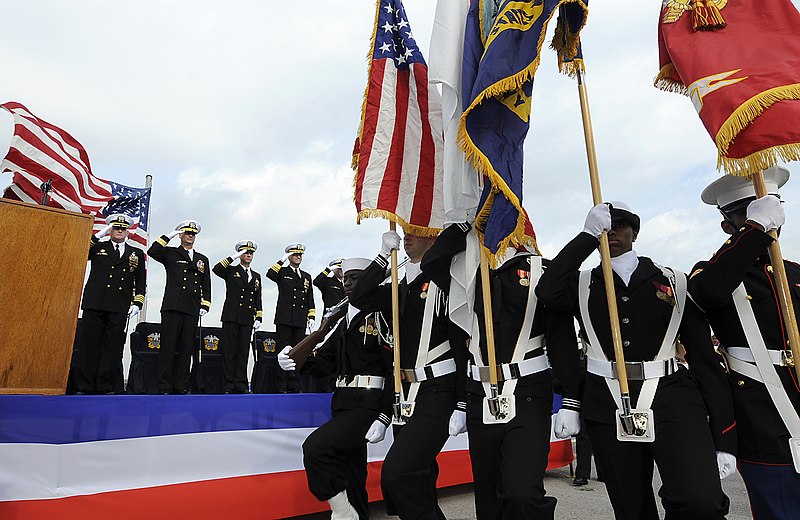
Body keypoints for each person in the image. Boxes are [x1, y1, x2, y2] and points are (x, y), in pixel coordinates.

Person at [536, 202, 734, 520]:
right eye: (604, 226)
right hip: (605, 400)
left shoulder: (674, 282)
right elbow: (547, 290)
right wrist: (586, 237)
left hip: (672, 398)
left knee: (701, 501)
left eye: (621, 225)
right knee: (631, 508)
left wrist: (725, 436)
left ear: (635, 232)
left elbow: (704, 360)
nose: (611, 231)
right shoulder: (581, 283)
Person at [421, 222, 582, 519]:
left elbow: (562, 338)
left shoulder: (539, 272)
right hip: (479, 394)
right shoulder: (468, 272)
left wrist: (571, 396)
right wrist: (465, 223)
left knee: (522, 493)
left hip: (527, 392)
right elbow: (432, 262)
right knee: (488, 494)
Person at [689, 166, 800, 519]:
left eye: (768, 205)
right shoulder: (710, 271)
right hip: (764, 415)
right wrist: (754, 231)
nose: (766, 214)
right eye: (749, 210)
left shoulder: (795, 273)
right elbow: (708, 292)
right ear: (729, 225)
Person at [349, 228, 467, 520]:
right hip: (407, 394)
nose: (407, 236)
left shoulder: (446, 281)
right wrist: (381, 259)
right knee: (418, 479)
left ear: (433, 235)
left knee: (397, 474)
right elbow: (359, 297)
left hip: (440, 388)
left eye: (416, 230)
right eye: (405, 231)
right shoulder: (399, 288)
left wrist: (463, 401)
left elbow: (462, 345)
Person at [277, 257, 393, 520]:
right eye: (346, 278)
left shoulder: (380, 316)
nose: (349, 283)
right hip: (343, 402)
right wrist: (296, 362)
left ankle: (343, 513)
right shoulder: (343, 322)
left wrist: (385, 414)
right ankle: (356, 514)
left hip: (368, 403)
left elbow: (392, 368)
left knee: (316, 448)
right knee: (353, 475)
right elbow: (325, 364)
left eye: (356, 278)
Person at [75, 213, 146, 394]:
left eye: (123, 228)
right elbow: (80, 250)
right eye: (116, 228)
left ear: (127, 231)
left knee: (111, 348)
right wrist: (99, 233)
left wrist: (137, 303)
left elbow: (140, 281)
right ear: (111, 230)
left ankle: (104, 386)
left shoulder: (136, 253)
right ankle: (85, 386)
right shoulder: (99, 247)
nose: (119, 231)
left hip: (118, 306)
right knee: (89, 346)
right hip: (95, 303)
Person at [148, 220, 211, 394]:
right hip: (173, 306)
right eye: (187, 232)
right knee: (168, 347)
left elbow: (206, 284)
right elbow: (152, 251)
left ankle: (180, 385)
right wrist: (171, 234)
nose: (190, 235)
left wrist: (205, 303)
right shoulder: (170, 253)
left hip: (191, 308)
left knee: (186, 349)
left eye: (193, 233)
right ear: (181, 235)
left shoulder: (202, 259)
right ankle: (164, 385)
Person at [213, 240, 263, 394]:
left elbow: (257, 298)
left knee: (243, 351)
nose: (248, 255)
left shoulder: (256, 276)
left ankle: (241, 383)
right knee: (229, 351)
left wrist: (259, 316)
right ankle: (228, 384)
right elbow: (217, 268)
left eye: (250, 253)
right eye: (245, 252)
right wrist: (234, 256)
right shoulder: (231, 271)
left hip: (247, 318)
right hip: (231, 315)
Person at [267, 242, 316, 392]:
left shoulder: (306, 276)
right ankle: (281, 384)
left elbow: (310, 299)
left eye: (300, 255)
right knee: (283, 351)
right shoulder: (282, 272)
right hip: (285, 318)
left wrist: (311, 315)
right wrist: (282, 259)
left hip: (300, 319)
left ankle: (294, 383)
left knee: (298, 352)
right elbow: (270, 274)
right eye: (295, 254)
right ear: (289, 256)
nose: (298, 257)